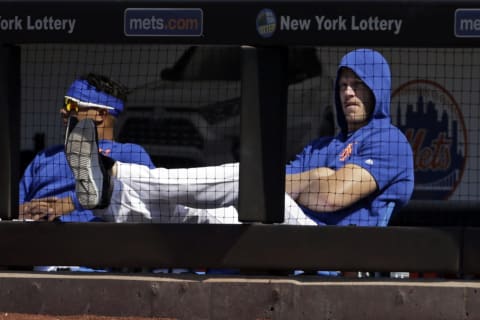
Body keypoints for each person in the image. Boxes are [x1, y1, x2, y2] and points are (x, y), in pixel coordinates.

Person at [65, 48, 415, 227]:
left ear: (377, 88)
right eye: (342, 85)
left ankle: (114, 173)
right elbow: (296, 185)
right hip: (291, 227)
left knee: (243, 179)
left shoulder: (389, 140)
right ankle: (108, 200)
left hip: (334, 245)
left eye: (358, 85)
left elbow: (332, 197)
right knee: (188, 214)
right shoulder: (322, 146)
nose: (348, 93)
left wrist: (306, 183)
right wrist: (315, 177)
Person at [19, 73, 155, 222]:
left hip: (94, 239)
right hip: (35, 235)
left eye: (71, 105)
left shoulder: (130, 154)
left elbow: (153, 204)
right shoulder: (45, 156)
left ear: (100, 114)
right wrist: (26, 210)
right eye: (64, 103)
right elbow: (13, 206)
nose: (63, 111)